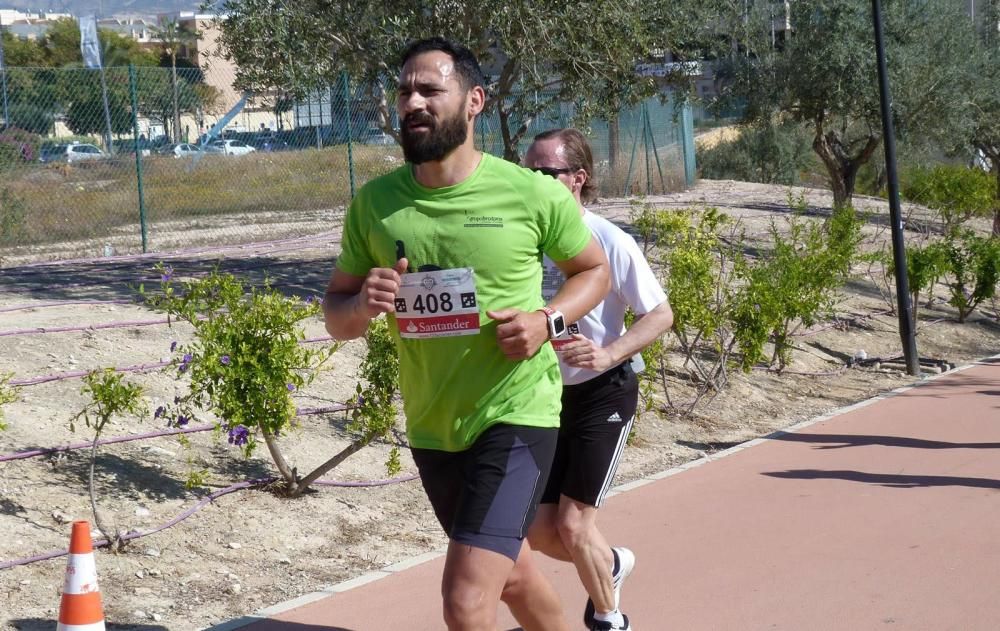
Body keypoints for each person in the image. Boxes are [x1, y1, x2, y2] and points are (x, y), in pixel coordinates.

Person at [323, 38, 611, 631]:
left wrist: (546, 320)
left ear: (474, 101)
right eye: (405, 90)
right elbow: (336, 317)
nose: (414, 102)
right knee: (514, 577)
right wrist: (363, 304)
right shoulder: (374, 205)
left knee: (464, 601)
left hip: (516, 415)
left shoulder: (529, 192)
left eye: (431, 89)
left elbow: (594, 270)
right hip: (434, 424)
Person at [524, 128, 674, 631]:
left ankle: (610, 618)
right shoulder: (521, 241)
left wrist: (608, 353)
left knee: (572, 523)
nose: (533, 181)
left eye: (545, 173)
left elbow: (660, 315)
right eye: (527, 172)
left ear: (578, 179)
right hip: (542, 398)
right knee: (542, 532)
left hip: (601, 395)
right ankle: (610, 564)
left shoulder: (610, 240)